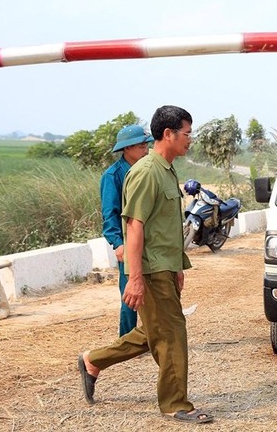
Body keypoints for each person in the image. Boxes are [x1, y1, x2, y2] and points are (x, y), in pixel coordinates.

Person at [78, 105, 213, 424]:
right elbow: (134, 227)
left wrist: (177, 266)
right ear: (168, 134)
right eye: (186, 133)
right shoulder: (146, 172)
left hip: (163, 268)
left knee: (151, 332)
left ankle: (92, 361)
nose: (189, 140)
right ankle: (174, 402)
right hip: (149, 271)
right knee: (171, 334)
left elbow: (164, 227)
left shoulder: (165, 169)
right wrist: (134, 278)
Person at [100, 124, 152, 337]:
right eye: (141, 146)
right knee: (130, 293)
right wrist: (118, 243)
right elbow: (109, 213)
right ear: (127, 149)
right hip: (127, 241)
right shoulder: (113, 176)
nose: (145, 150)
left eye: (146, 145)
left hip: (148, 241)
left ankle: (149, 336)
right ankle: (127, 340)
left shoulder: (147, 171)